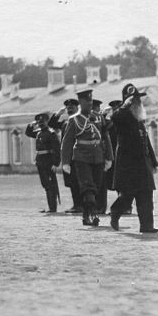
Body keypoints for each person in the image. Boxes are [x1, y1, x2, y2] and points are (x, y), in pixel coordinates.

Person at [109, 84, 158, 233]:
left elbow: (146, 141)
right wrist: (124, 106)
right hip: (128, 165)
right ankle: (115, 213)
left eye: (138, 100)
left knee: (146, 195)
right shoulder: (122, 117)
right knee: (127, 196)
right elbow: (114, 117)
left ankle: (147, 226)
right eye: (134, 100)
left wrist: (153, 161)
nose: (138, 102)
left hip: (143, 164)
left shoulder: (139, 119)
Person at [60, 89, 113, 227]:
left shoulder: (98, 117)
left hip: (98, 157)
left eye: (90, 101)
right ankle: (92, 215)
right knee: (87, 186)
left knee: (97, 185)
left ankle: (86, 215)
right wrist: (65, 162)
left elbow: (105, 138)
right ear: (81, 103)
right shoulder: (74, 120)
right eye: (86, 101)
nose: (89, 104)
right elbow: (67, 142)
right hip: (82, 157)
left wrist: (109, 157)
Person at [50, 98, 82, 213]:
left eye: (72, 108)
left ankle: (82, 205)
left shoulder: (81, 120)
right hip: (68, 156)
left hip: (78, 155)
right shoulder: (65, 122)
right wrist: (58, 114)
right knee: (72, 182)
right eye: (68, 108)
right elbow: (51, 124)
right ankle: (77, 205)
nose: (69, 110)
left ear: (77, 108)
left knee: (79, 181)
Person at [25, 112, 61, 213]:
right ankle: (51, 207)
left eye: (43, 121)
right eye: (39, 122)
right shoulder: (38, 132)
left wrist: (56, 163)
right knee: (45, 184)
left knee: (50, 185)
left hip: (48, 161)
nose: (41, 124)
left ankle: (53, 208)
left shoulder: (51, 133)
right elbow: (28, 133)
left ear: (47, 122)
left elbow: (57, 149)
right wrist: (31, 125)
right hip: (40, 161)